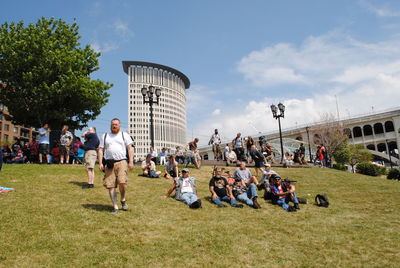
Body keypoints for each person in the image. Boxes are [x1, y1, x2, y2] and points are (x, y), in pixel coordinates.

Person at [98, 118, 134, 215]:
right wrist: (100, 162)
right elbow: (101, 149)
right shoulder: (105, 136)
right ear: (110, 125)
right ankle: (115, 206)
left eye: (116, 124)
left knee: (122, 182)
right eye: (113, 124)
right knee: (110, 185)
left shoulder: (124, 135)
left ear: (119, 125)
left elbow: (130, 148)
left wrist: (131, 161)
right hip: (109, 163)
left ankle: (123, 199)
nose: (114, 126)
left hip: (122, 161)